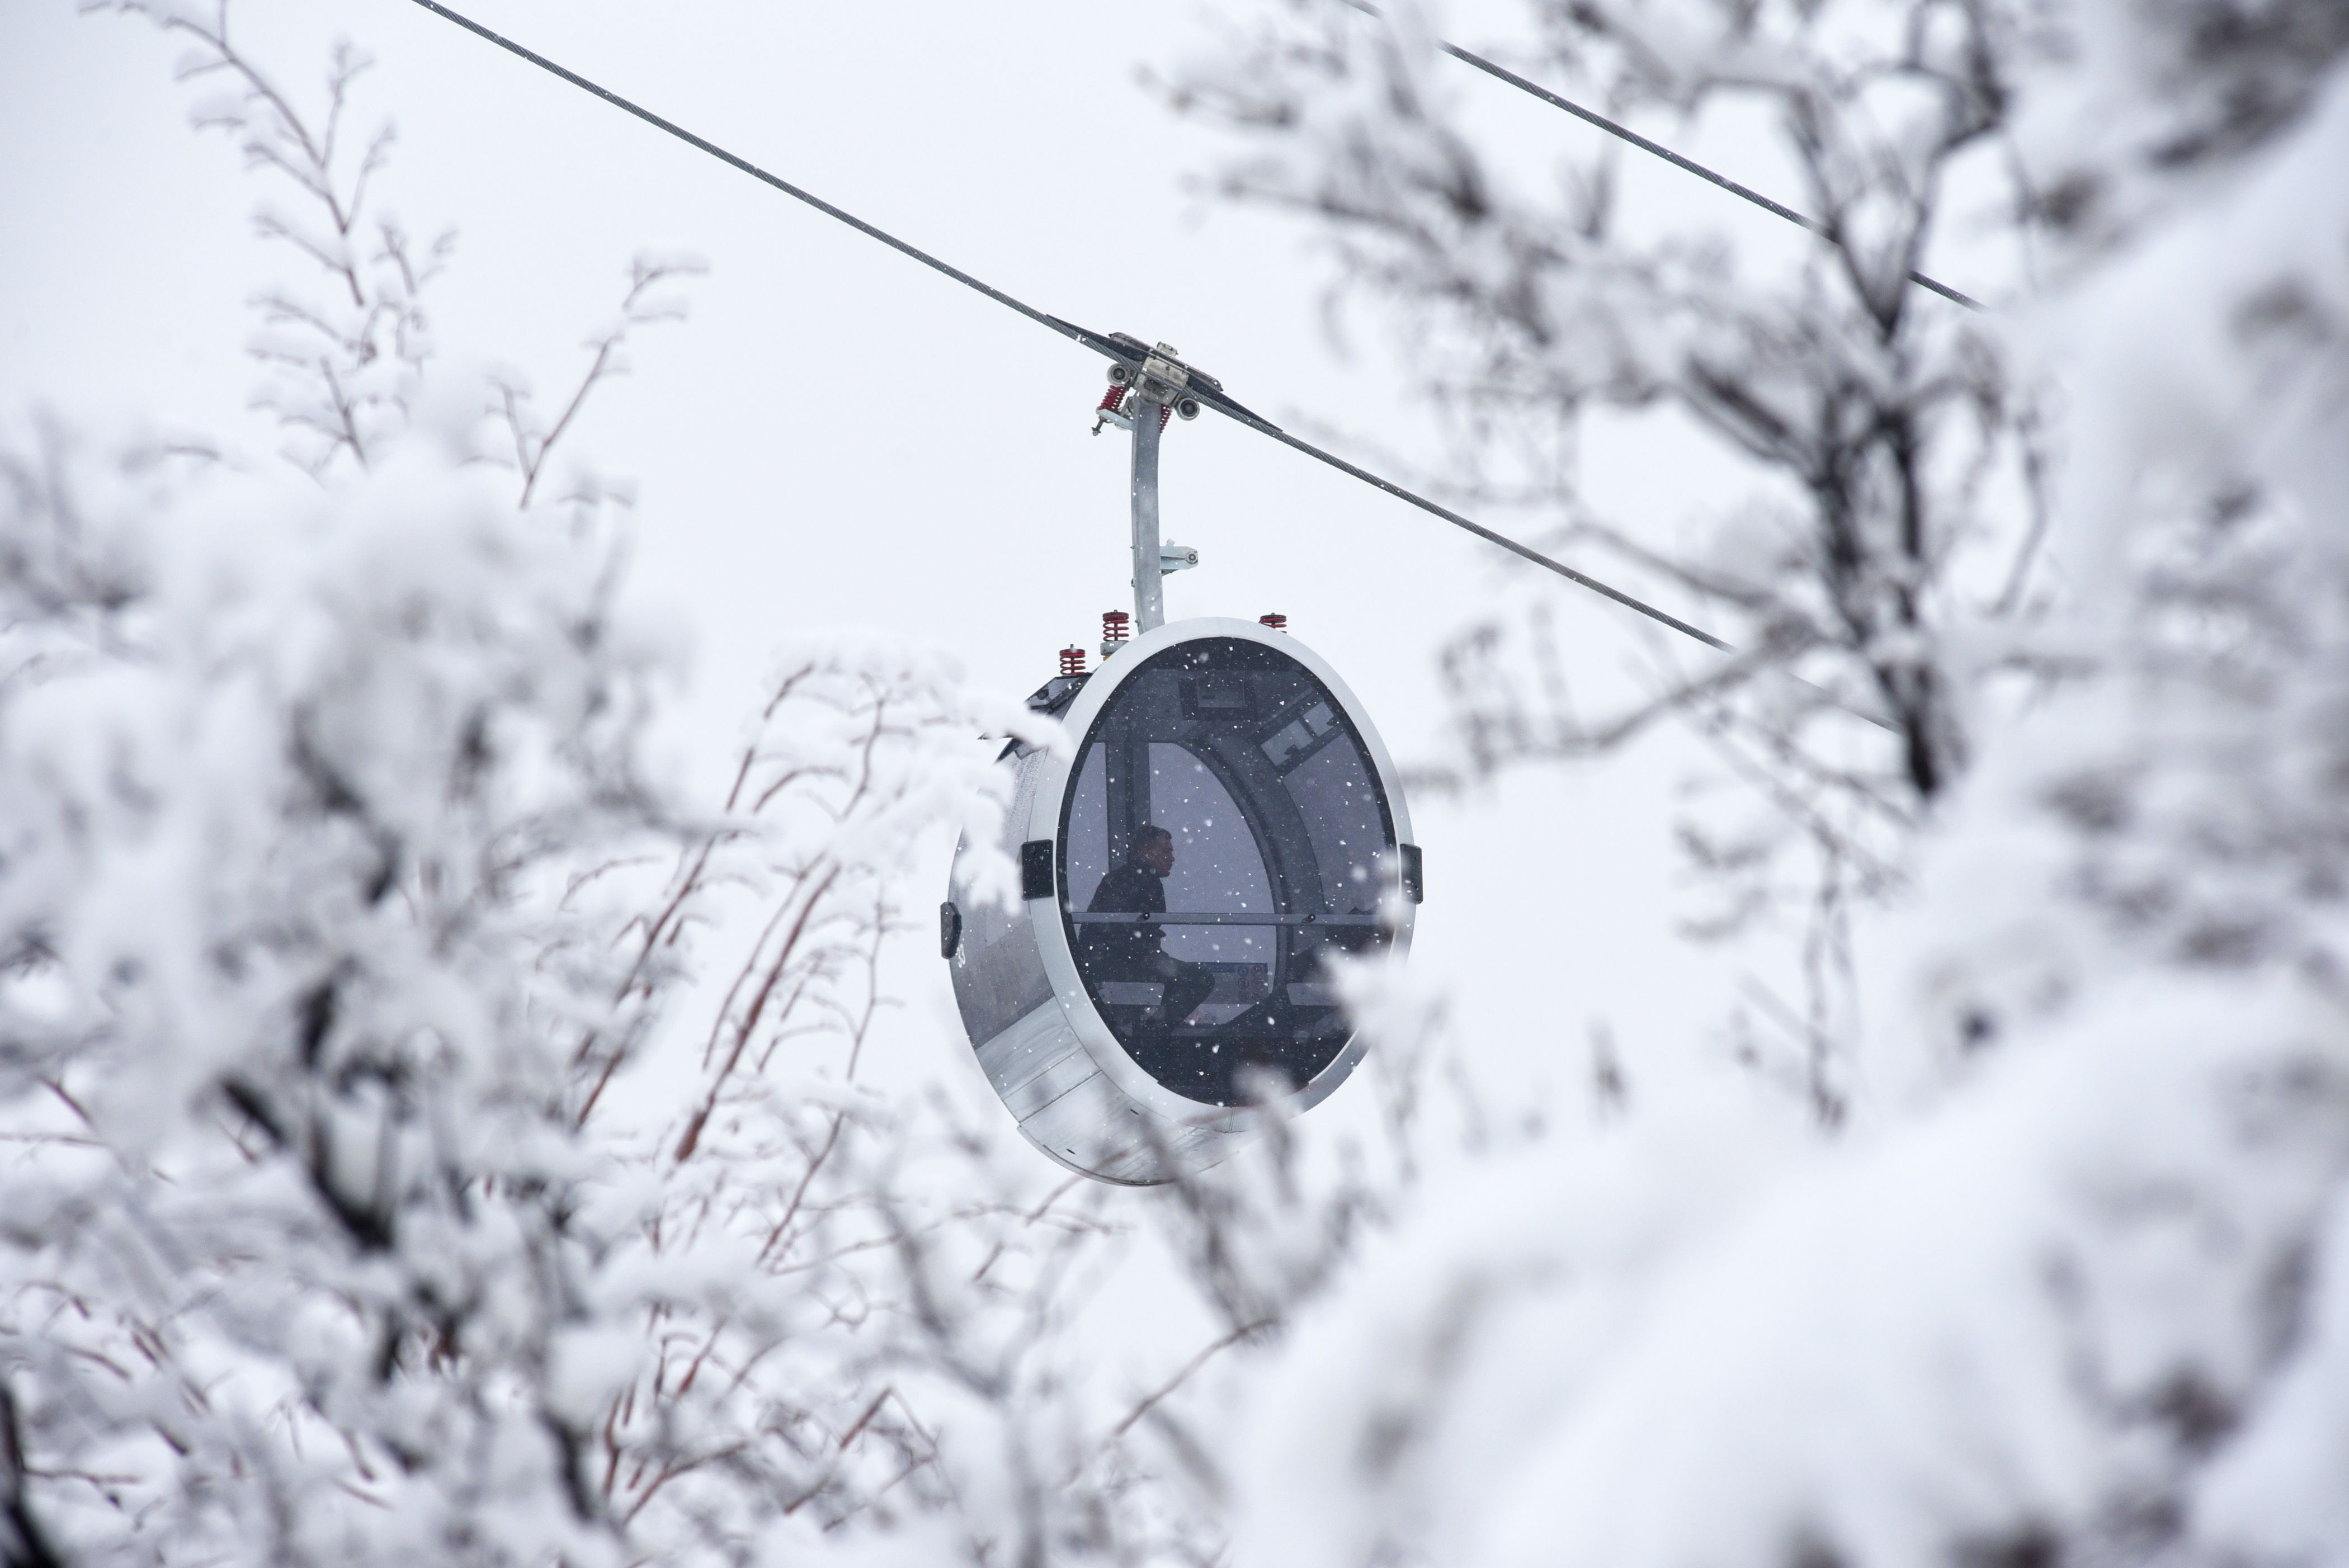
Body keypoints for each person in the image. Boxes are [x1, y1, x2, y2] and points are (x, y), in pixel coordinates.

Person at [1084, 824, 1216, 1031]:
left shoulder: (1125, 878)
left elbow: (1115, 930)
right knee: (1201, 979)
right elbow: (1125, 933)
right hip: (1124, 964)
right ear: (1146, 852)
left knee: (1186, 978)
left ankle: (1151, 1028)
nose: (1172, 858)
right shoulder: (1143, 880)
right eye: (1166, 851)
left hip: (1111, 962)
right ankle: (1155, 1033)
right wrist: (1150, 957)